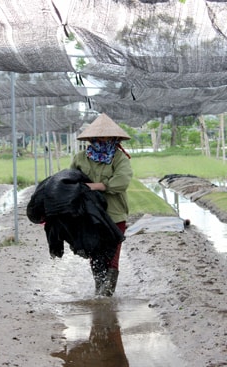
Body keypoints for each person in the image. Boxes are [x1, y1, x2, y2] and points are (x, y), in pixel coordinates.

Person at [70, 113, 133, 297]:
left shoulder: (119, 158)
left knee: (112, 255)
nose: (102, 140)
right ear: (92, 138)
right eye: (99, 137)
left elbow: (122, 181)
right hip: (90, 215)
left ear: (114, 138)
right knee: (95, 254)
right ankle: (99, 290)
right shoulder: (81, 158)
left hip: (114, 214)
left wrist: (95, 186)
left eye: (107, 137)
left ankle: (106, 296)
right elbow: (71, 178)